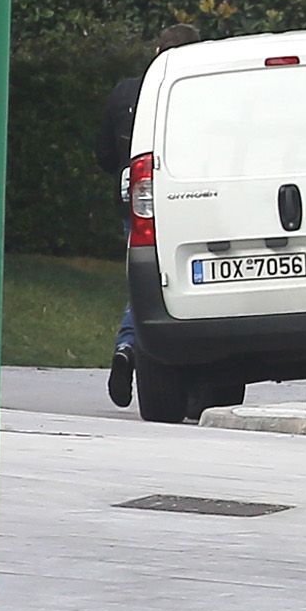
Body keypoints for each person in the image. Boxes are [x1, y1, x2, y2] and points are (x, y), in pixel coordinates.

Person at [100, 23, 200, 407]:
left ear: (157, 49)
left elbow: (105, 155)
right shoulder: (196, 93)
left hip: (137, 204)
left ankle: (128, 347)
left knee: (142, 284)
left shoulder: (127, 92)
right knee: (179, 283)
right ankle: (173, 365)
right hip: (188, 199)